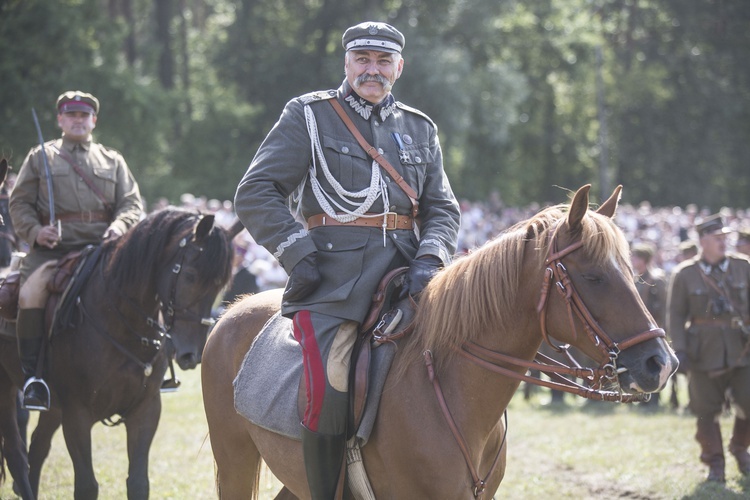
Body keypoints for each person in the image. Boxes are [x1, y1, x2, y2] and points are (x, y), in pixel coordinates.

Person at [234, 22, 460, 499]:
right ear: (347, 63)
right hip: (334, 281)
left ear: (399, 67)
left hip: (408, 276)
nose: (371, 70)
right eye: (363, 60)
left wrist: (431, 256)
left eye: (383, 62)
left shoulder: (420, 128)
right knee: (330, 390)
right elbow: (256, 192)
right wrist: (298, 253)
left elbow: (442, 208)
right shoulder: (310, 115)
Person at [10, 90, 143, 411]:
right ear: (60, 120)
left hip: (104, 250)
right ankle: (33, 379)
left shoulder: (112, 160)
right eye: (71, 115)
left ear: (94, 120)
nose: (78, 120)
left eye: (84, 116)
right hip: (52, 252)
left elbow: (131, 204)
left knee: (149, 285)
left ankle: (155, 367)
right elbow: (19, 203)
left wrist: (120, 226)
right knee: (29, 295)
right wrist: (36, 232)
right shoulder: (40, 157)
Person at [667, 214, 750, 482]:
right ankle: (715, 463)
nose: (723, 242)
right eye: (717, 238)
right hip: (702, 351)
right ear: (702, 241)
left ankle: (740, 448)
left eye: (725, 238)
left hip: (742, 347)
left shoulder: (743, 267)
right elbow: (676, 316)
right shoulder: (685, 274)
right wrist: (679, 350)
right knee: (705, 410)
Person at [631, 242, 668, 409]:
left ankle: (654, 399)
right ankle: (640, 397)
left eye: (635, 257)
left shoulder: (657, 280)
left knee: (655, 365)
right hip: (637, 332)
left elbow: (666, 305)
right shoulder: (634, 279)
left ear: (644, 259)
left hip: (654, 330)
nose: (632, 259)